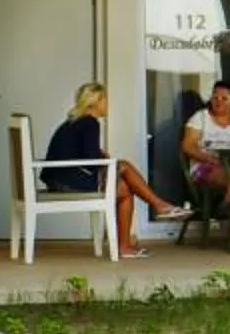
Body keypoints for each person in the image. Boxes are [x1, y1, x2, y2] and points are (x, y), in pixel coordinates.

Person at [44, 83, 189, 259]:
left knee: (124, 190)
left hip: (60, 179)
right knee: (124, 166)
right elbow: (91, 163)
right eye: (105, 100)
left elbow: (82, 153)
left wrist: (101, 156)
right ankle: (159, 206)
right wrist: (106, 160)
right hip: (67, 181)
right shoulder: (89, 122)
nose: (107, 104)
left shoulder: (74, 122)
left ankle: (126, 245)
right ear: (95, 102)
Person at [180, 79, 230, 214]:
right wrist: (210, 159)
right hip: (206, 167)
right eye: (215, 97)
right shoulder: (200, 117)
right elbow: (187, 146)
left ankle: (226, 205)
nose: (218, 101)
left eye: (224, 98)